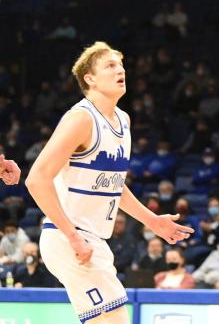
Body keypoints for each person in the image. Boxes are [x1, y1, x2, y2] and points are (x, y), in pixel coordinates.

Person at [25, 42, 192, 324]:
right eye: (110, 65)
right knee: (114, 320)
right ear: (89, 78)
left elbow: (113, 184)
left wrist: (152, 221)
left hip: (93, 238)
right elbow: (36, 178)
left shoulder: (123, 120)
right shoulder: (81, 118)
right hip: (68, 236)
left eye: (122, 65)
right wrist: (73, 236)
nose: (121, 70)